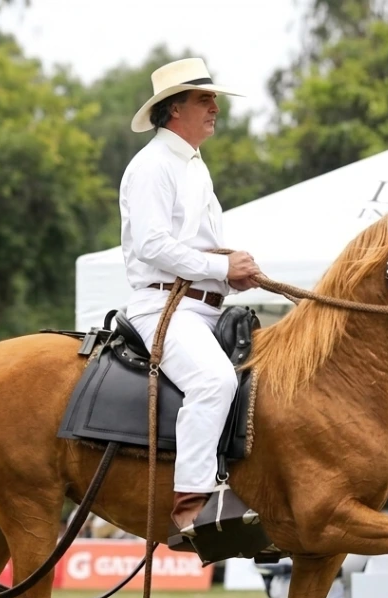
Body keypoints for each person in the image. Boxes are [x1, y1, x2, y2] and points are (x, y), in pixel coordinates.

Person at [120, 57, 261, 534]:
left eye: (214, 98)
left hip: (203, 308)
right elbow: (152, 244)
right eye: (205, 98)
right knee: (214, 382)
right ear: (174, 108)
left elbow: (192, 247)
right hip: (163, 307)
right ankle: (192, 509)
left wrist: (231, 275)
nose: (215, 106)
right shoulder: (152, 166)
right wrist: (221, 266)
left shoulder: (194, 167)